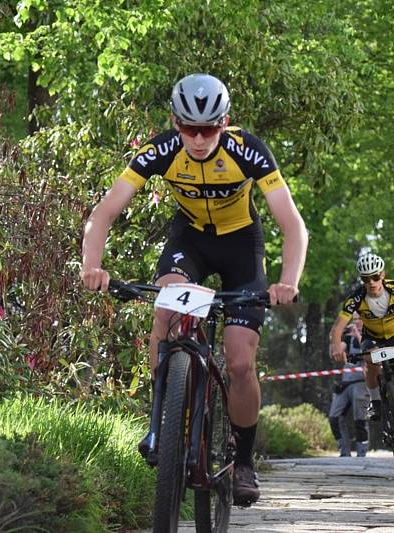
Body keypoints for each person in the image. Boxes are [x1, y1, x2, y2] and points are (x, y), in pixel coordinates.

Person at [80, 73, 308, 506]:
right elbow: (105, 211)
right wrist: (92, 266)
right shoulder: (161, 150)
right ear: (175, 122)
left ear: (225, 123)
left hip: (242, 246)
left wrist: (288, 282)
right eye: (189, 129)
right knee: (165, 314)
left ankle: (243, 461)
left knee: (240, 361)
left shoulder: (248, 150)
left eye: (209, 129)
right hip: (190, 242)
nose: (199, 139)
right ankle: (162, 423)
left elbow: (292, 224)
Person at [329, 252, 394, 461]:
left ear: (382, 275)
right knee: (371, 359)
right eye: (366, 279)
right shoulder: (356, 298)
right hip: (372, 338)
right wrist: (336, 347)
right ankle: (375, 402)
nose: (372, 282)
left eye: (375, 277)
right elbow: (337, 328)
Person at [328, 315, 370, 457]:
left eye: (359, 318)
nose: (356, 321)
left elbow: (369, 352)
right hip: (345, 382)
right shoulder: (349, 337)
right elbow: (338, 353)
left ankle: (361, 453)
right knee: (334, 417)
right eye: (355, 319)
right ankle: (344, 452)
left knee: (360, 419)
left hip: (362, 382)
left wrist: (358, 334)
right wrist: (335, 337)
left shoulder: (370, 335)